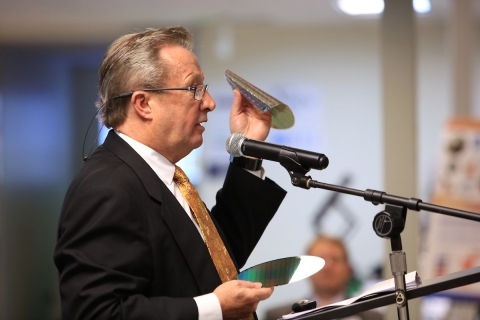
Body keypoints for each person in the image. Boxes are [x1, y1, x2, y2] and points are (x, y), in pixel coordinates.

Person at [54, 26, 287, 320]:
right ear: (144, 104)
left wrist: (249, 150)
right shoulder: (106, 187)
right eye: (195, 88)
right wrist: (214, 308)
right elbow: (95, 313)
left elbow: (213, 262)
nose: (210, 103)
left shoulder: (163, 175)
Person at [265, 235, 384, 320]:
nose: (327, 267)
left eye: (335, 259)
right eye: (320, 261)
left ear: (349, 269)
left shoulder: (374, 318)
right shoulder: (276, 317)